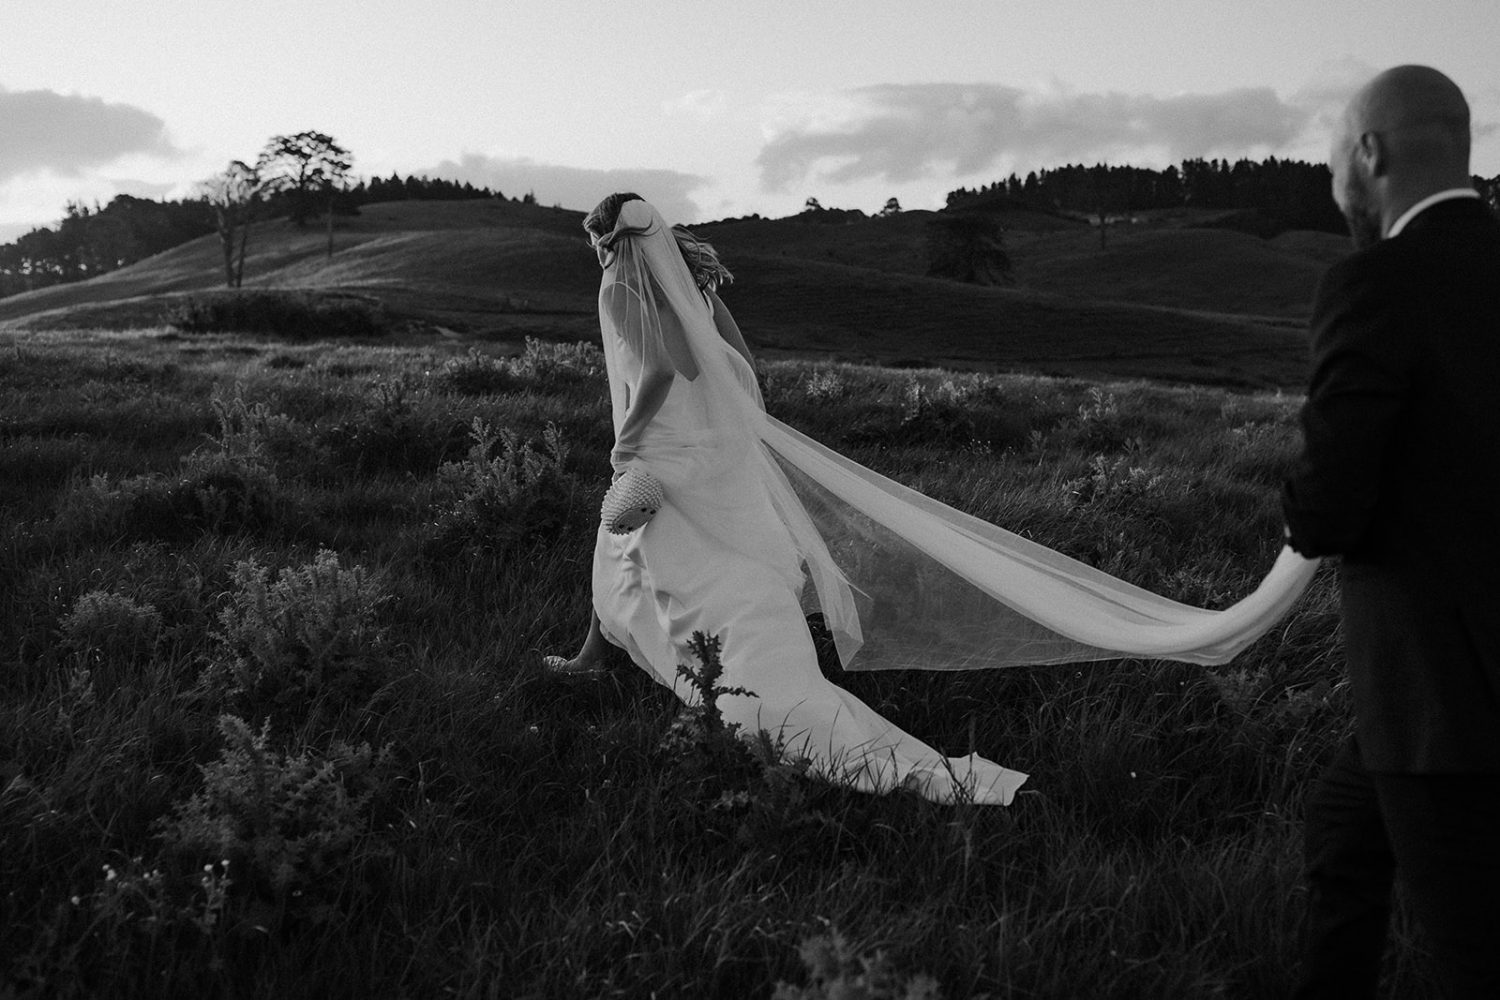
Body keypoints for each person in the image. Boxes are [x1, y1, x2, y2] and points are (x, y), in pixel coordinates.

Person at [549, 192, 1320, 806]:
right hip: (716, 452)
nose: (595, 255)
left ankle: (730, 680)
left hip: (662, 452)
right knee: (656, 550)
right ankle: (603, 654)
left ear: (606, 240)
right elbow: (742, 369)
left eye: (594, 243)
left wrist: (630, 442)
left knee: (645, 550)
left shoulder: (618, 287)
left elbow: (657, 372)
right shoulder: (698, 289)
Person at [1281, 66, 1500, 997]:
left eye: (1336, 159)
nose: (1336, 186)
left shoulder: (1376, 284)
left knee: (1476, 957)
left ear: (1369, 153)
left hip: (1443, 703)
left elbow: (1331, 508)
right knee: (1343, 830)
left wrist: (1299, 505)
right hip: (1435, 693)